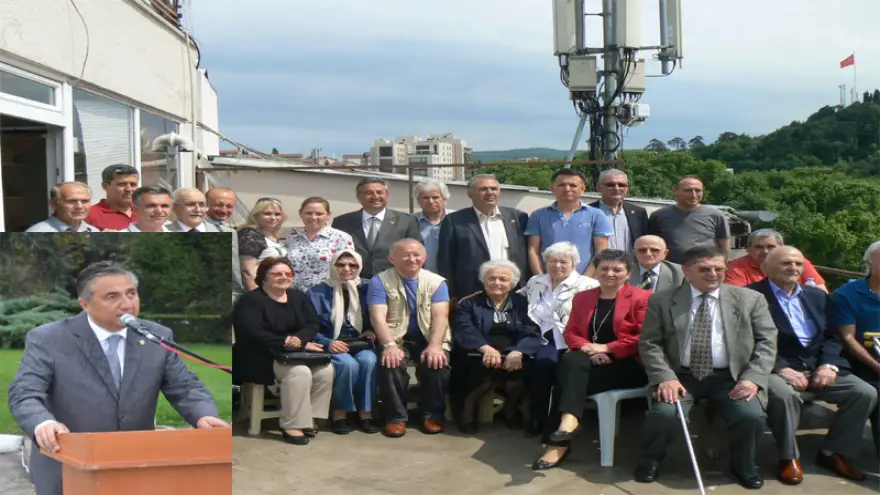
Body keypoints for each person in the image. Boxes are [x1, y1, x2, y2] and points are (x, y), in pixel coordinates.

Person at [8, 261, 225, 495]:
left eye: (131, 293)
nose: (127, 304)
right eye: (112, 297)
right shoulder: (49, 338)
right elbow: (24, 392)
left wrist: (204, 414)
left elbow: (185, 387)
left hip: (136, 465)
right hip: (68, 467)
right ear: (85, 304)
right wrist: (42, 422)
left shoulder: (157, 336)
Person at [634, 246, 777, 490]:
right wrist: (664, 377)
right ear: (687, 271)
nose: (713, 274)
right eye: (704, 269)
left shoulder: (750, 299)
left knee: (751, 415)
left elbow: (767, 341)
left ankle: (744, 465)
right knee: (664, 415)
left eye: (719, 268)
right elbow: (650, 343)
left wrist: (753, 377)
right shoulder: (663, 300)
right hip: (682, 377)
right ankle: (650, 460)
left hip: (731, 377)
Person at [749, 246, 875, 484]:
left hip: (818, 366)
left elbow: (832, 336)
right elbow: (746, 341)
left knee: (864, 392)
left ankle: (834, 452)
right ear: (765, 267)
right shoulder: (750, 296)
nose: (793, 268)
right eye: (786, 263)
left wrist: (828, 365)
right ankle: (788, 457)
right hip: (775, 366)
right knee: (784, 395)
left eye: (798, 263)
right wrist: (781, 367)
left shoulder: (816, 295)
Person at [533, 250, 651, 470]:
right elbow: (570, 333)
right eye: (604, 268)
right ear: (596, 270)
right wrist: (592, 351)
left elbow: (644, 337)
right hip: (588, 362)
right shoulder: (584, 297)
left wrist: (607, 348)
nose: (610, 273)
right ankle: (568, 422)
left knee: (567, 376)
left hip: (629, 365)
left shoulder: (642, 298)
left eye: (617, 269)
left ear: (628, 273)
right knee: (572, 364)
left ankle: (559, 440)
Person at [233, 257, 333, 445]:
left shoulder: (298, 297)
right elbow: (251, 332)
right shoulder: (251, 300)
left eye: (288, 274)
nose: (283, 277)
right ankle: (291, 425)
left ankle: (309, 418)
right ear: (264, 277)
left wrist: (300, 340)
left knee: (326, 370)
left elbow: (312, 324)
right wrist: (285, 341)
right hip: (261, 355)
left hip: (294, 352)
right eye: (277, 274)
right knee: (299, 373)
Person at [368, 239, 451, 437]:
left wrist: (435, 345)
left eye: (416, 255)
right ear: (391, 258)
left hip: (428, 334)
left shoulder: (437, 282)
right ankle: (396, 417)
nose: (411, 259)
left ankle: (432, 414)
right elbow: (377, 316)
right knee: (391, 363)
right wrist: (388, 344)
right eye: (405, 254)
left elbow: (441, 316)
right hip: (395, 336)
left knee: (438, 363)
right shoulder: (379, 281)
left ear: (425, 257)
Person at [517, 241, 598, 437]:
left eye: (564, 261)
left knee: (555, 369)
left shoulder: (588, 285)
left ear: (574, 264)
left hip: (571, 340)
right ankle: (538, 417)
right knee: (539, 368)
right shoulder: (536, 281)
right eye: (552, 261)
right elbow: (518, 297)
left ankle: (554, 425)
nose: (557, 265)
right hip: (540, 337)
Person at [452, 260, 542, 434]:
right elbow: (464, 329)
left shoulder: (523, 303)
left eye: (503, 279)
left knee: (522, 374)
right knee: (478, 374)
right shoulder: (469, 303)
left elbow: (532, 330)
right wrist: (484, 348)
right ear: (483, 280)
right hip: (477, 352)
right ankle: (468, 412)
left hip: (513, 351)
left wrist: (518, 351)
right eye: (492, 278)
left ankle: (510, 408)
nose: (497, 283)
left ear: (513, 283)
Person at [307, 249, 379, 435]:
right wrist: (327, 342)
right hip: (331, 342)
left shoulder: (368, 288)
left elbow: (380, 314)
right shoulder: (317, 292)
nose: (347, 269)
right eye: (341, 264)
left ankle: (366, 412)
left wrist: (373, 330)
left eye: (353, 265)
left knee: (368, 361)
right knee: (347, 365)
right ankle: (340, 413)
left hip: (360, 342)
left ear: (359, 267)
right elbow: (310, 326)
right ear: (333, 265)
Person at [438, 174, 530, 300]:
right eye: (483, 189)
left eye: (494, 189)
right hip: (473, 292)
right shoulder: (454, 221)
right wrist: (450, 293)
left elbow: (528, 253)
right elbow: (445, 260)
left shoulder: (518, 218)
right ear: (470, 194)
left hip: (514, 290)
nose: (490, 193)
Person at [833, 239, 880, 454]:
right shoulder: (848, 294)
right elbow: (848, 339)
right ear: (869, 264)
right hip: (864, 363)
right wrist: (876, 365)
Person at [525, 169, 612, 277]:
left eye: (573, 185)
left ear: (583, 189)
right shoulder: (538, 215)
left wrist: (584, 281)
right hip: (549, 282)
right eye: (561, 185)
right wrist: (541, 279)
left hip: (585, 282)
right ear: (552, 188)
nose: (567, 189)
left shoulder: (597, 215)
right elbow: (533, 250)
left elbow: (601, 252)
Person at [331, 178, 421, 279]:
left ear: (387, 195)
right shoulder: (342, 222)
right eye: (369, 193)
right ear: (359, 197)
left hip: (393, 281)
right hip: (354, 281)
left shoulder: (406, 221)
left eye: (379, 192)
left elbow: (416, 253)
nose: (375, 196)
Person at [647, 176, 730, 264]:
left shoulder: (715, 215)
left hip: (704, 270)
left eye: (698, 190)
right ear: (675, 191)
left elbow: (724, 246)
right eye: (688, 190)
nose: (693, 195)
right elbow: (651, 245)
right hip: (672, 270)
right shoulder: (659, 216)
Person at [726, 229, 828, 292]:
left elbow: (821, 292)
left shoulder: (797, 262)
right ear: (748, 249)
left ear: (781, 247)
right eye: (758, 247)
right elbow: (737, 297)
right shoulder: (737, 266)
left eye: (770, 247)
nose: (765, 251)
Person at [287, 197, 355, 292]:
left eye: (319, 214)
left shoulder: (341, 238)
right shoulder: (291, 236)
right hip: (294, 294)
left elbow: (349, 269)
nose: (313, 217)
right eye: (308, 213)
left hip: (326, 295)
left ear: (328, 215)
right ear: (300, 213)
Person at [588, 168, 648, 253]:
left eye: (621, 185)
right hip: (598, 265)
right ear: (599, 187)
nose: (616, 188)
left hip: (630, 265)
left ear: (627, 188)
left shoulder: (639, 213)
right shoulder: (586, 212)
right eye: (610, 185)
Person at [239, 198, 286, 290]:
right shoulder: (250, 235)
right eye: (267, 213)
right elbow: (247, 272)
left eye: (277, 214)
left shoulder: (276, 235)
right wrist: (256, 296)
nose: (273, 218)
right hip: (259, 290)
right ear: (256, 215)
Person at [412, 180, 455, 273]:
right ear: (418, 200)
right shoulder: (410, 222)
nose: (431, 201)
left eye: (435, 197)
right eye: (425, 198)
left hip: (452, 277)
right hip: (419, 277)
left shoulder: (457, 220)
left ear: (445, 199)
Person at [85, 164, 140, 231]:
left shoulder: (144, 211)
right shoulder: (89, 215)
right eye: (122, 184)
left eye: (133, 184)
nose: (128, 189)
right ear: (105, 186)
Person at [26, 182, 99, 232]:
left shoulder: (95, 231)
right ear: (53, 204)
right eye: (71, 201)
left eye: (85, 201)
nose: (79, 206)